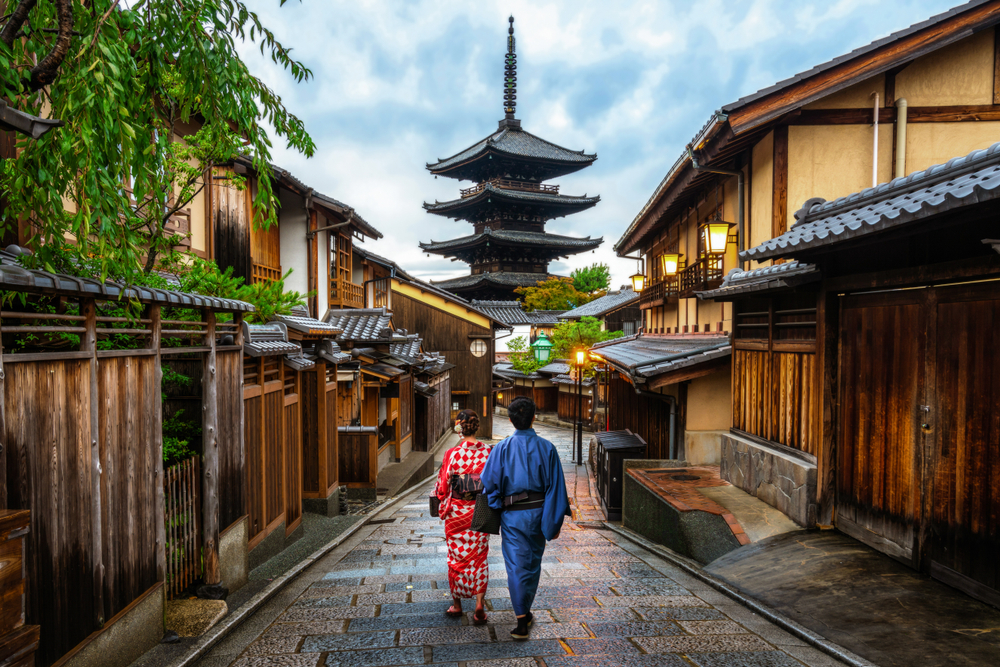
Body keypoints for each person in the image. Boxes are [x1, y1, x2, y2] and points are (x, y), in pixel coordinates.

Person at [481, 396, 569, 639]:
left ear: (510, 420)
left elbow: (489, 483)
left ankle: (522, 619)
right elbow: (556, 488)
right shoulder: (547, 448)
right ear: (533, 417)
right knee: (532, 564)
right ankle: (525, 611)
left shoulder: (501, 448)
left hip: (513, 516)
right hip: (540, 514)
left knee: (516, 566)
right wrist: (554, 521)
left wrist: (498, 503)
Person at [434, 409, 491, 624]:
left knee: (456, 557)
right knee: (479, 557)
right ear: (476, 427)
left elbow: (442, 487)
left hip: (457, 512)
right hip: (480, 511)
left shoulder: (452, 454)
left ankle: (457, 605)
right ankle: (479, 604)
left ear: (459, 427)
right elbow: (494, 482)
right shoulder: (488, 452)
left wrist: (442, 495)